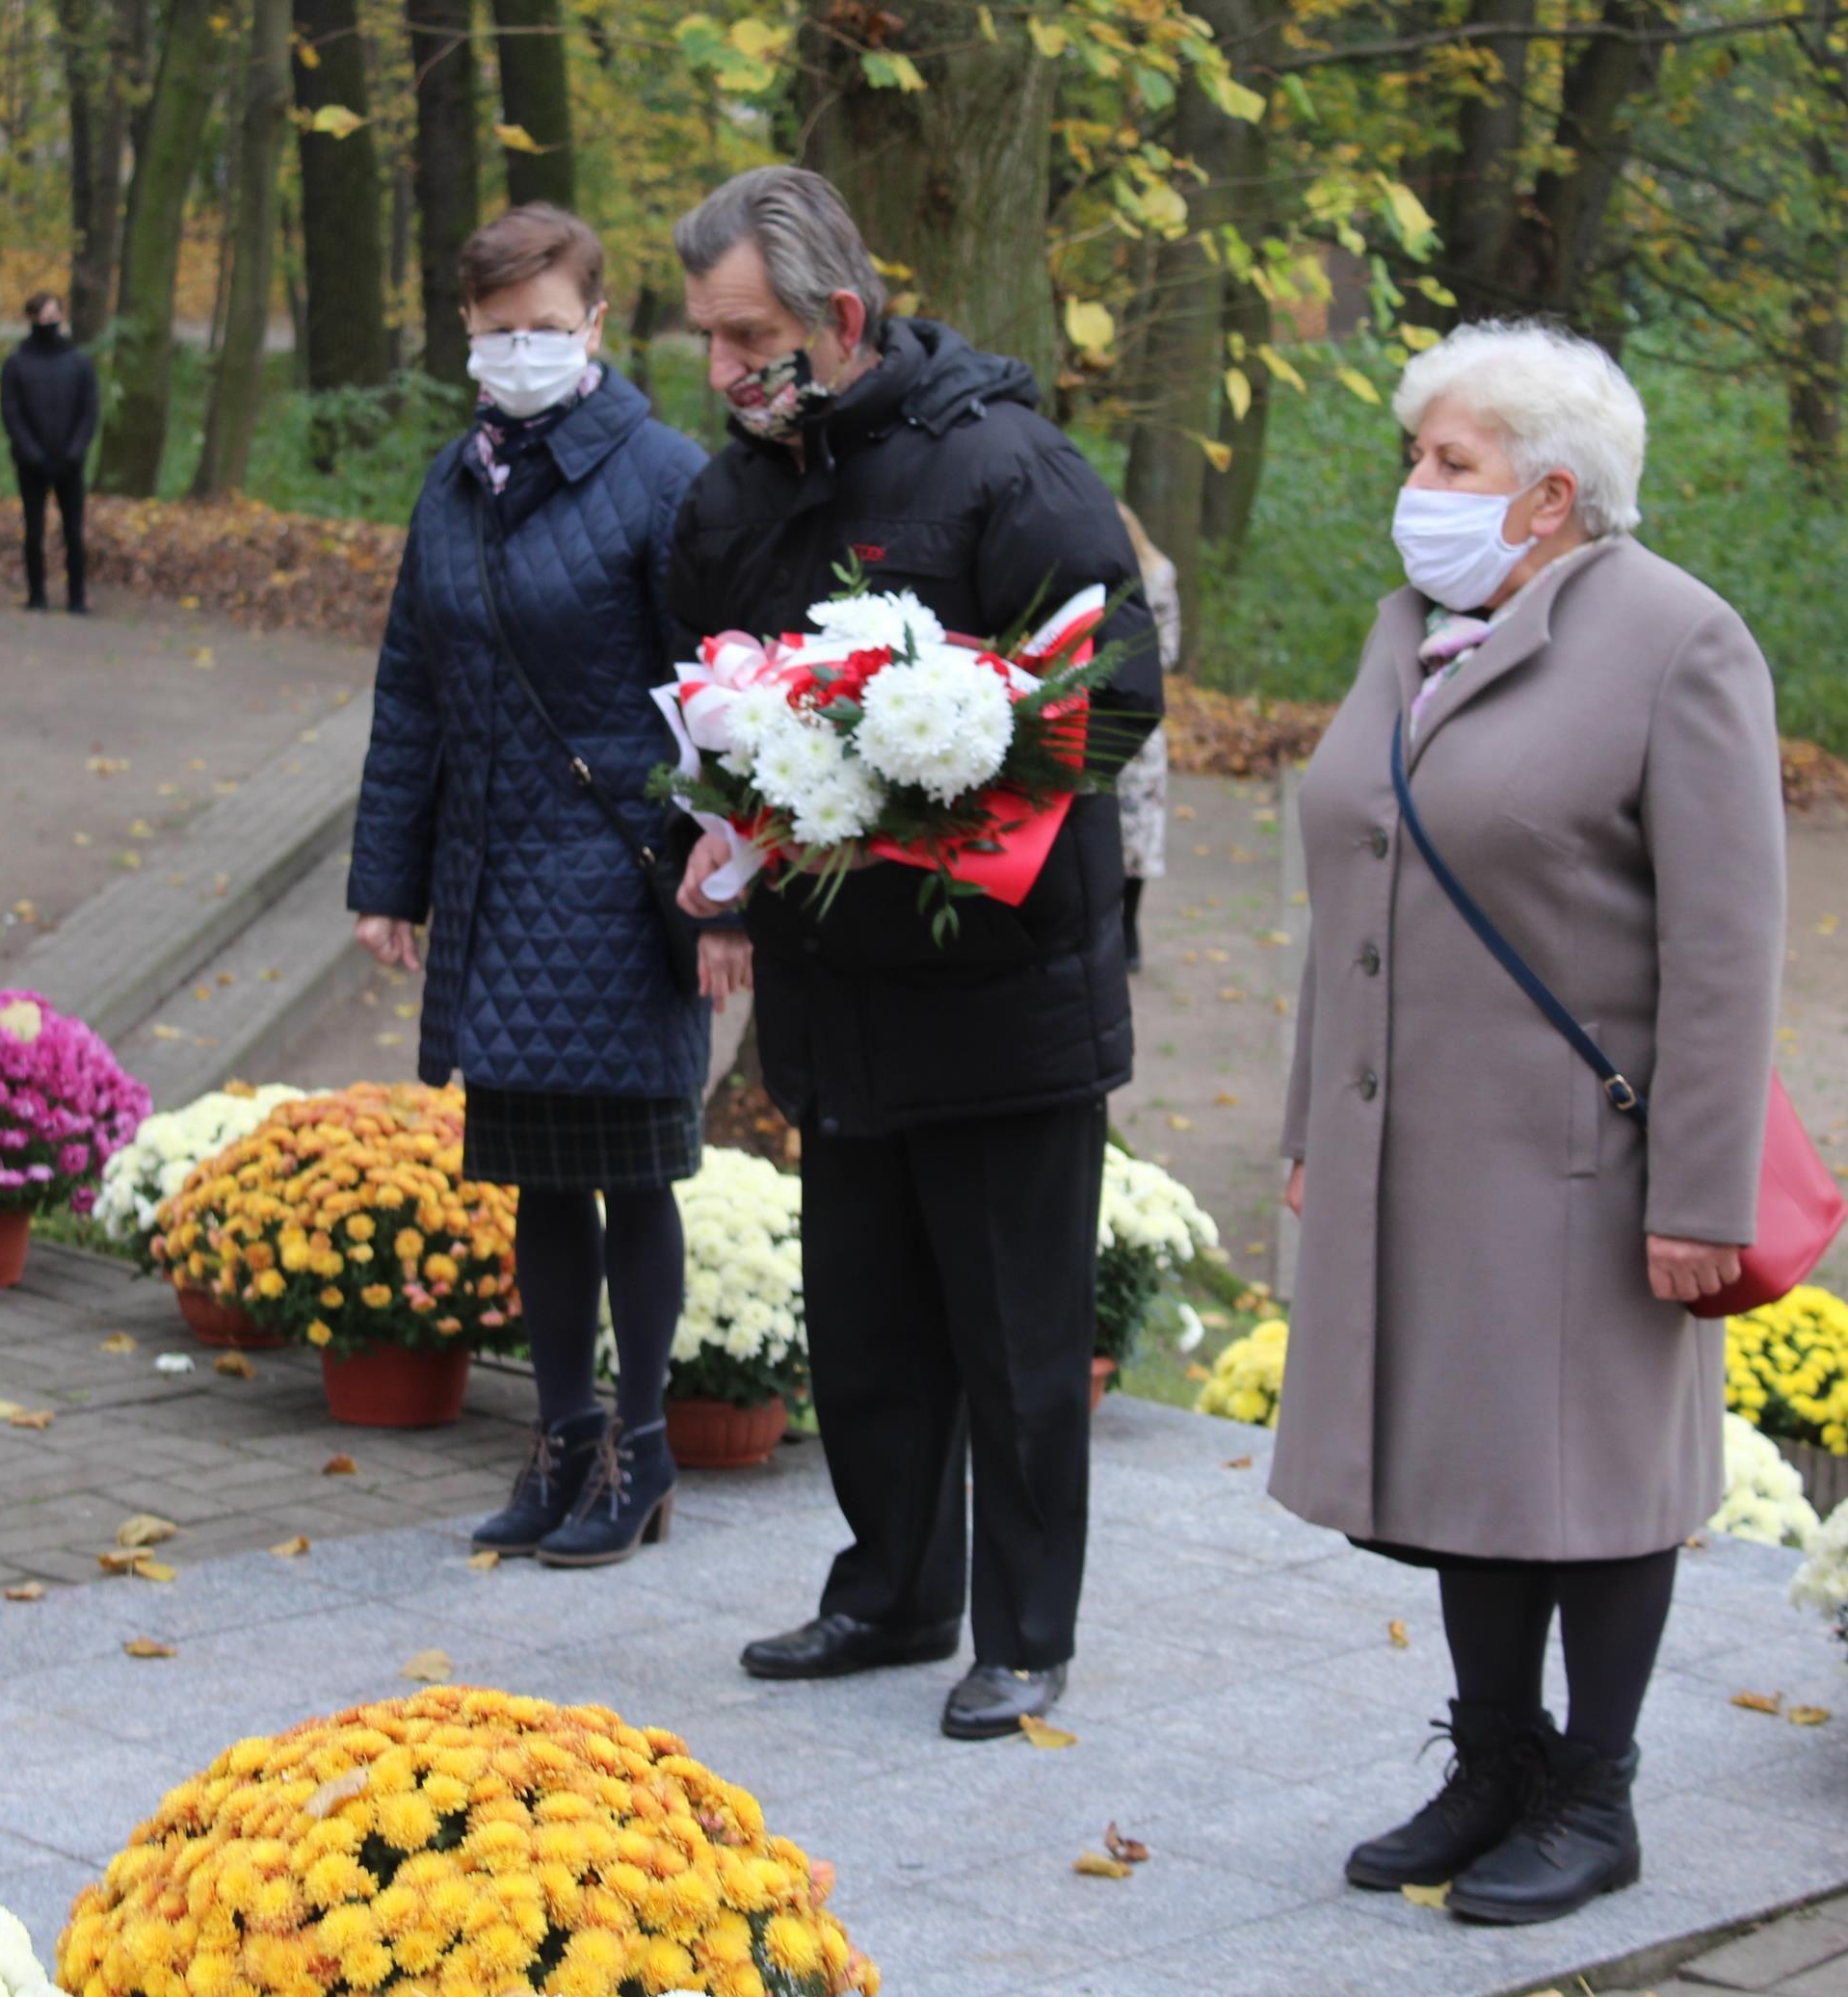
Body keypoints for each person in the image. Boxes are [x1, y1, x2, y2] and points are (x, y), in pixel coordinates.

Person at [1275, 321, 1784, 1925]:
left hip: (1588, 1158)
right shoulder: (1410, 629)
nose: (1415, 489)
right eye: (1417, 456)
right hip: (1411, 1141)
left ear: (1553, 495)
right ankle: (1494, 1758)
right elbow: (1347, 891)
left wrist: (1701, 1191)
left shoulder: (1679, 642)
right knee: (1474, 1462)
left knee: (1596, 1473)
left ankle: (1596, 1789)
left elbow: (1726, 944)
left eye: (1449, 461)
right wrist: (1309, 1123)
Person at [664, 166, 1162, 1741]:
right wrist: (721, 837)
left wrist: (916, 781)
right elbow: (689, 695)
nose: (728, 368)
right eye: (706, 337)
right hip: (842, 991)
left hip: (1004, 991)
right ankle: (891, 1588)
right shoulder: (733, 493)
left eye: (751, 334)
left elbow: (1119, 685)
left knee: (1014, 1333)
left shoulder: (1007, 464)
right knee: (869, 1317)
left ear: (845, 319)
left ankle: (1025, 1632)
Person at [346, 203, 749, 1569]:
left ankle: (640, 1452)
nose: (520, 349)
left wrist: (727, 894)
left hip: (623, 884)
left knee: (633, 1176)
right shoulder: (452, 483)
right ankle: (560, 1439)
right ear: (466, 330)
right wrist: (386, 878)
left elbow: (724, 700)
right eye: (496, 328)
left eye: (545, 326)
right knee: (534, 1182)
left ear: (594, 324)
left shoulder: (665, 477)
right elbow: (412, 690)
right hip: (492, 883)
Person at [0, 293, 99, 614]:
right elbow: (11, 414)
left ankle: (76, 596)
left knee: (73, 531)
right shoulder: (16, 364)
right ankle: (37, 594)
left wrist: (75, 451)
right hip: (32, 464)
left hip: (70, 462)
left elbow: (89, 411)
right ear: (30, 319)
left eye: (54, 315)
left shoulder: (80, 363)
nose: (50, 323)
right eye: (43, 317)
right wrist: (31, 454)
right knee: (34, 530)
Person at [1112, 500, 1179, 965]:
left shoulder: (1156, 574)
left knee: (1137, 831)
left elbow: (1168, 648)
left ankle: (1129, 928)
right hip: (1088, 713)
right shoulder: (1089, 572)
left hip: (1137, 720)